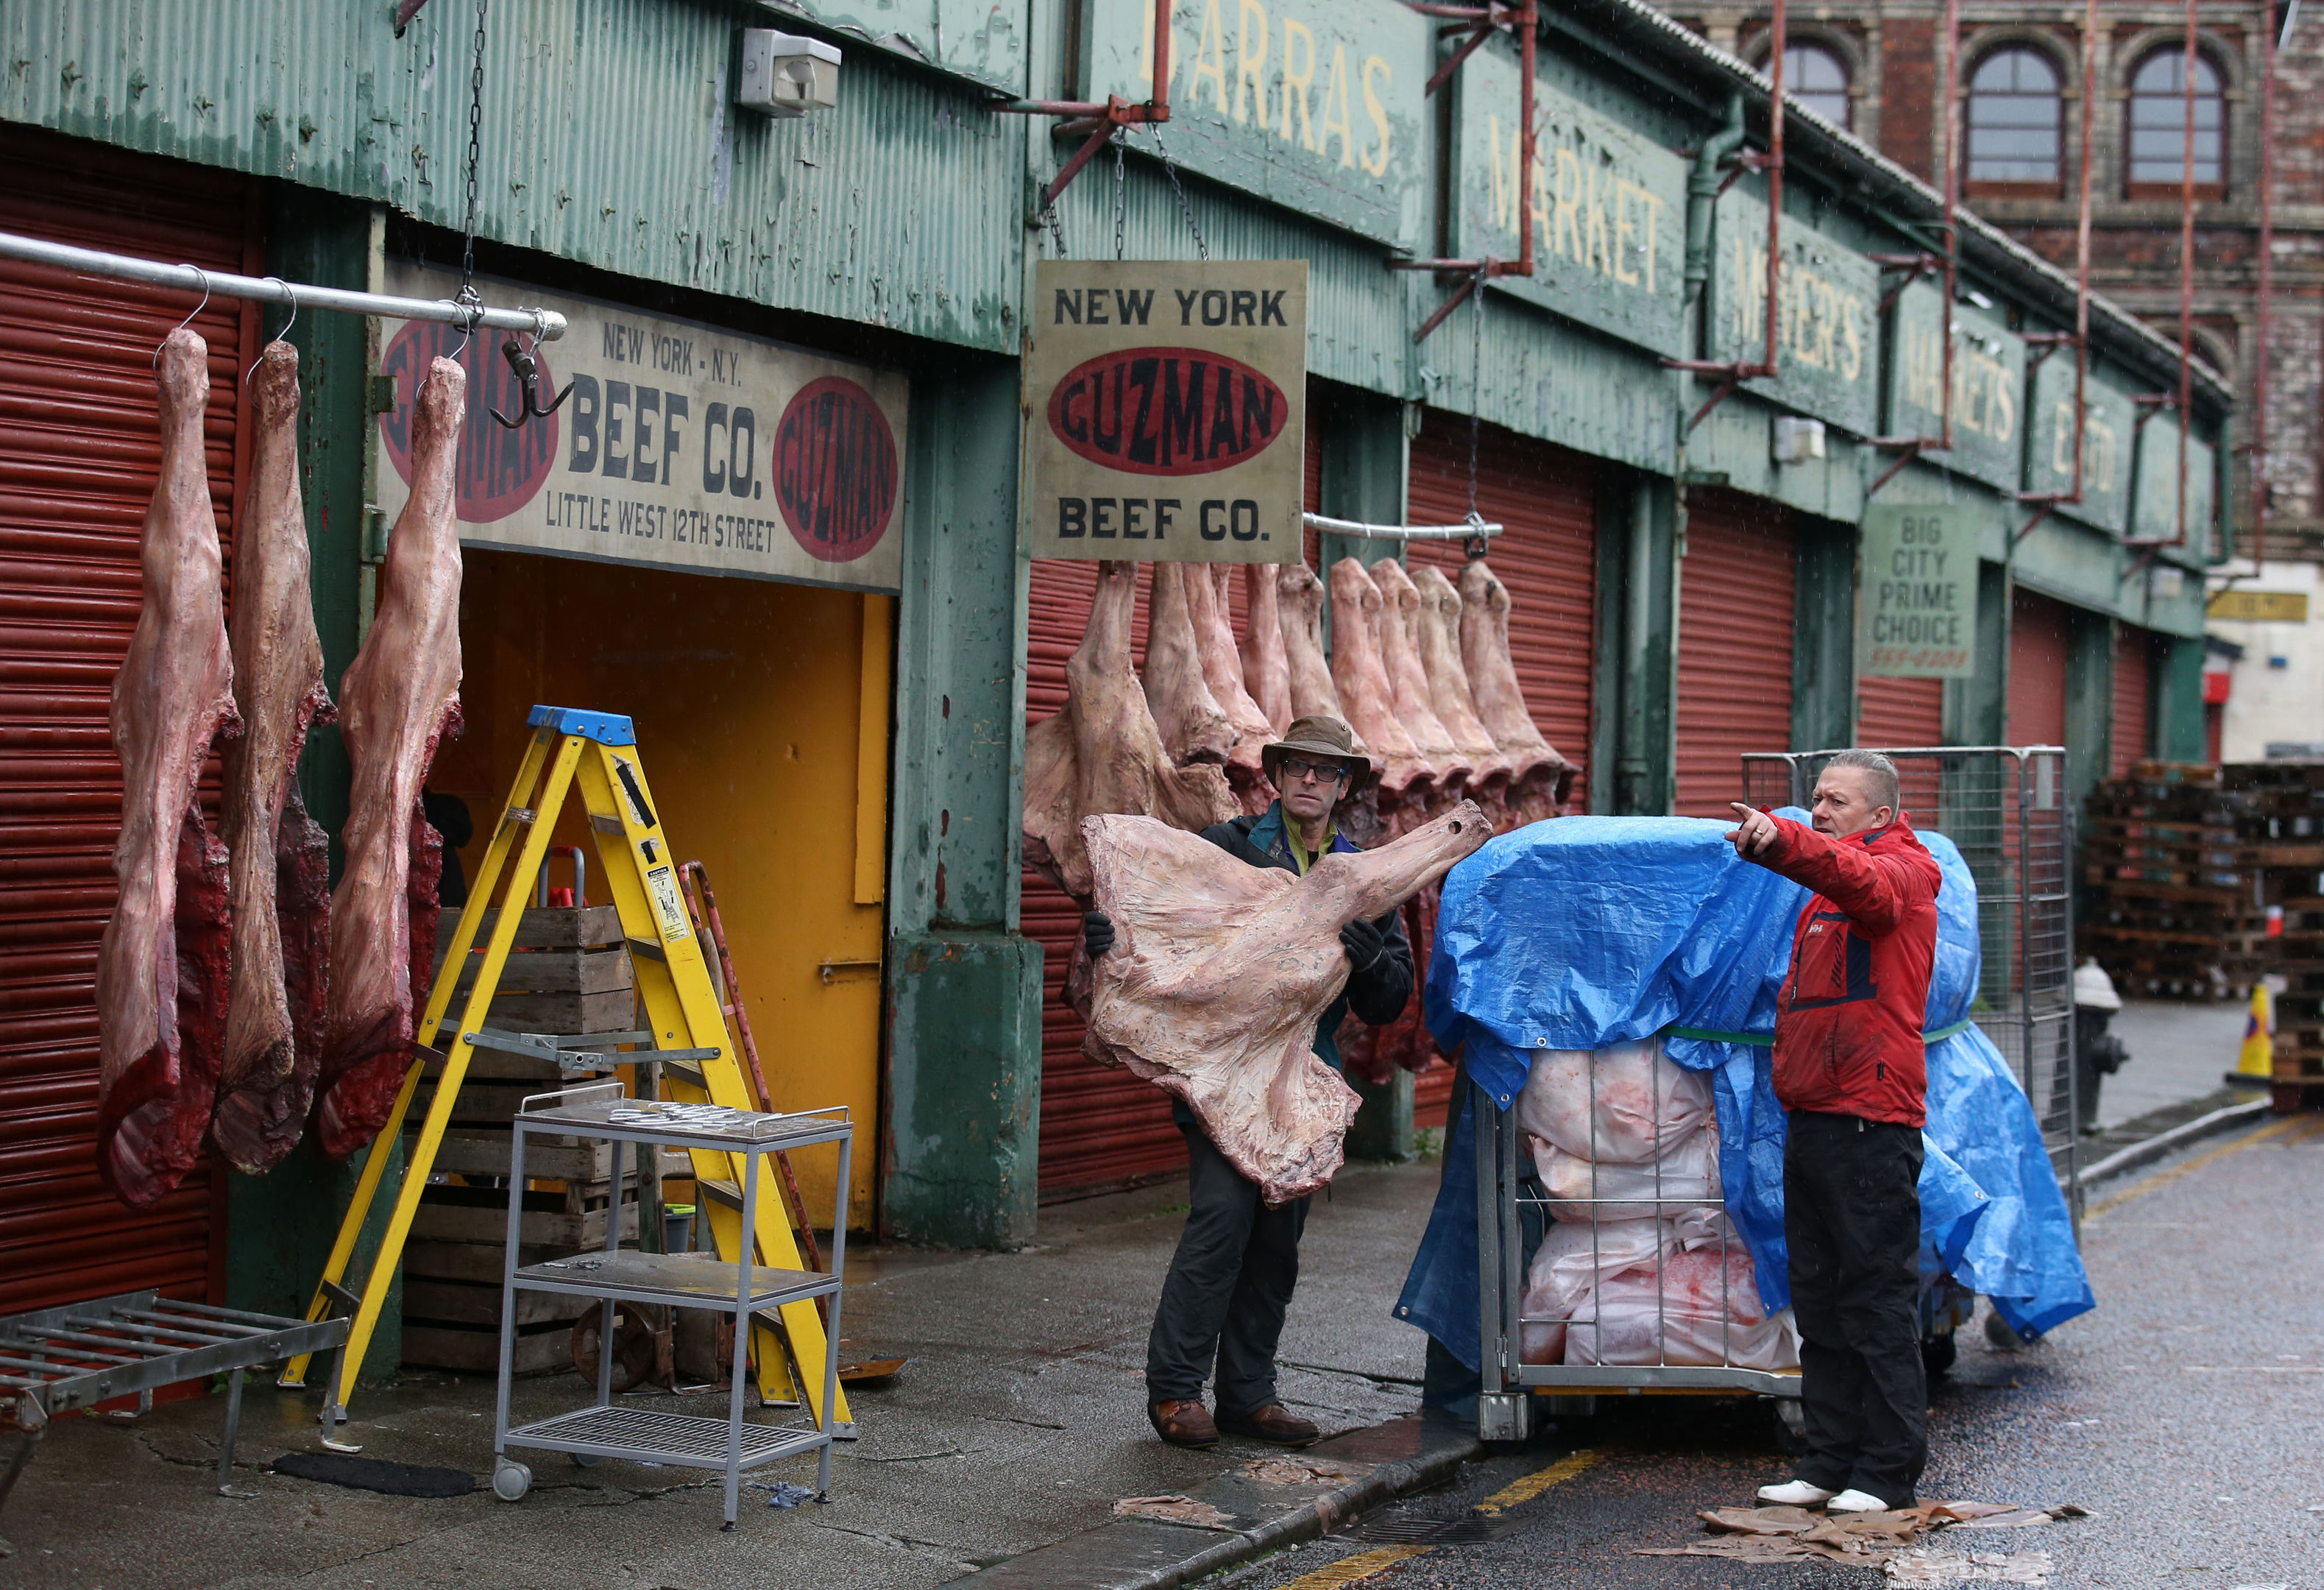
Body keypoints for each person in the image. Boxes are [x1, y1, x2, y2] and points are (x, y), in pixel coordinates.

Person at [1083, 715, 1413, 1449]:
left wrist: (1372, 958)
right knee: (1221, 1219)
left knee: (1275, 1241)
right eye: (1296, 765)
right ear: (1276, 773)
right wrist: (1103, 939)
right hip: (1220, 1075)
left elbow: (1387, 1003)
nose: (1307, 780)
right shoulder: (1229, 850)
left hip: (1299, 1090)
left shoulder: (1365, 877)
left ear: (1343, 786)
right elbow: (1151, 922)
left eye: (1323, 771)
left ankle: (1247, 1395)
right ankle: (1174, 1390)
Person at [1723, 749, 1941, 1514]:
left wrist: (1783, 840)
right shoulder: (1824, 888)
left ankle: (1884, 1473)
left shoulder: (1904, 873)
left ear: (1880, 816)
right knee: (1817, 1300)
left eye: (1836, 801)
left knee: (1872, 1299)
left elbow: (1866, 887)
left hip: (1869, 1122)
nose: (1818, 811)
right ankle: (1825, 1462)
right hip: (1814, 1116)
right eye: (1813, 798)